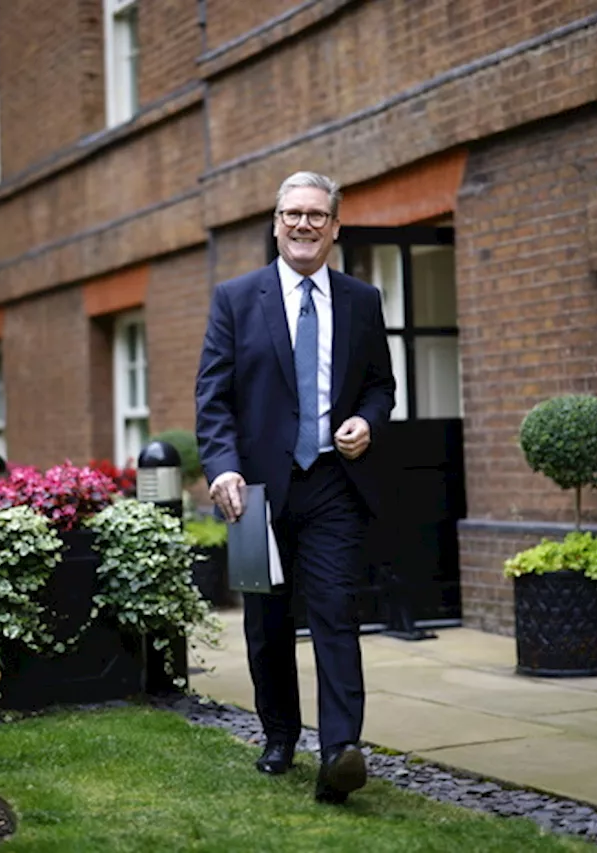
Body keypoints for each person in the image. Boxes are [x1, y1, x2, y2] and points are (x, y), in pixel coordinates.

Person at [194, 171, 396, 804]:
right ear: (275, 223)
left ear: (335, 227)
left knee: (336, 612)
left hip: (334, 482)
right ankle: (279, 735)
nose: (303, 224)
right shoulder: (235, 297)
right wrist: (222, 466)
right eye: (292, 214)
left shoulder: (361, 300)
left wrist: (368, 418)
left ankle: (340, 750)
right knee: (268, 622)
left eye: (316, 214)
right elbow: (214, 396)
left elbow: (380, 385)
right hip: (254, 491)